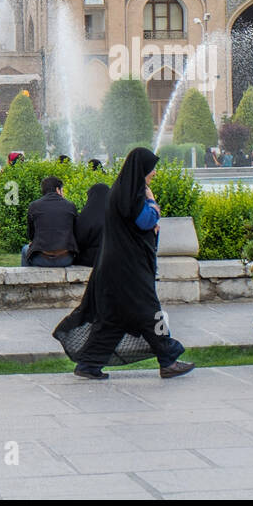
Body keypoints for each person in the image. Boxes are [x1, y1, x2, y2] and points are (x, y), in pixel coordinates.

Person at [52, 147, 194, 380]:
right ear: (141, 170)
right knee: (152, 312)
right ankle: (168, 359)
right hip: (130, 270)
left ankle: (89, 364)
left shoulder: (123, 191)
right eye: (151, 169)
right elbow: (145, 220)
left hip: (117, 268)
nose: (154, 173)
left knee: (113, 319)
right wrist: (153, 203)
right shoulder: (133, 195)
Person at [22, 176, 80, 266]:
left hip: (40, 258)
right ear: (58, 189)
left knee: (25, 249)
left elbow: (31, 234)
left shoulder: (34, 206)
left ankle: (25, 279)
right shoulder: (70, 205)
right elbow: (76, 232)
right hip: (66, 259)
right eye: (62, 190)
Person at [74, 183, 110, 269]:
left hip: (90, 259)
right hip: (112, 259)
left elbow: (79, 240)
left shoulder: (86, 215)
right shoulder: (116, 214)